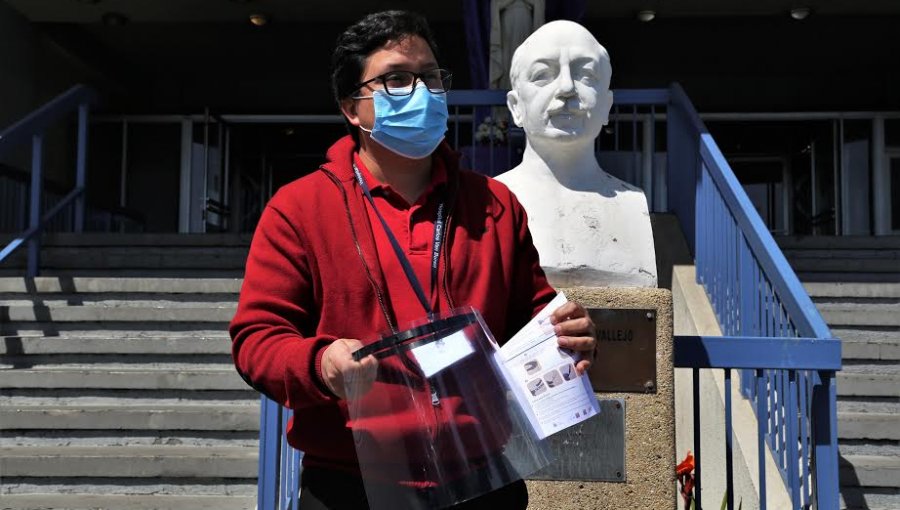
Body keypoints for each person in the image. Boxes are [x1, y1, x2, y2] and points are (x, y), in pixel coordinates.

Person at [230, 10, 596, 509]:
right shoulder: (299, 210)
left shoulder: (495, 205)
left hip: (484, 477)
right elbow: (258, 340)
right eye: (397, 79)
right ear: (351, 108)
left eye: (429, 76)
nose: (421, 91)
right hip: (351, 484)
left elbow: (532, 317)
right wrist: (321, 363)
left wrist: (565, 331)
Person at [496, 20, 658, 288]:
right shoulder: (489, 203)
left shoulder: (633, 204)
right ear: (515, 107)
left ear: (607, 105)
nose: (566, 88)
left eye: (585, 75)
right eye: (542, 75)